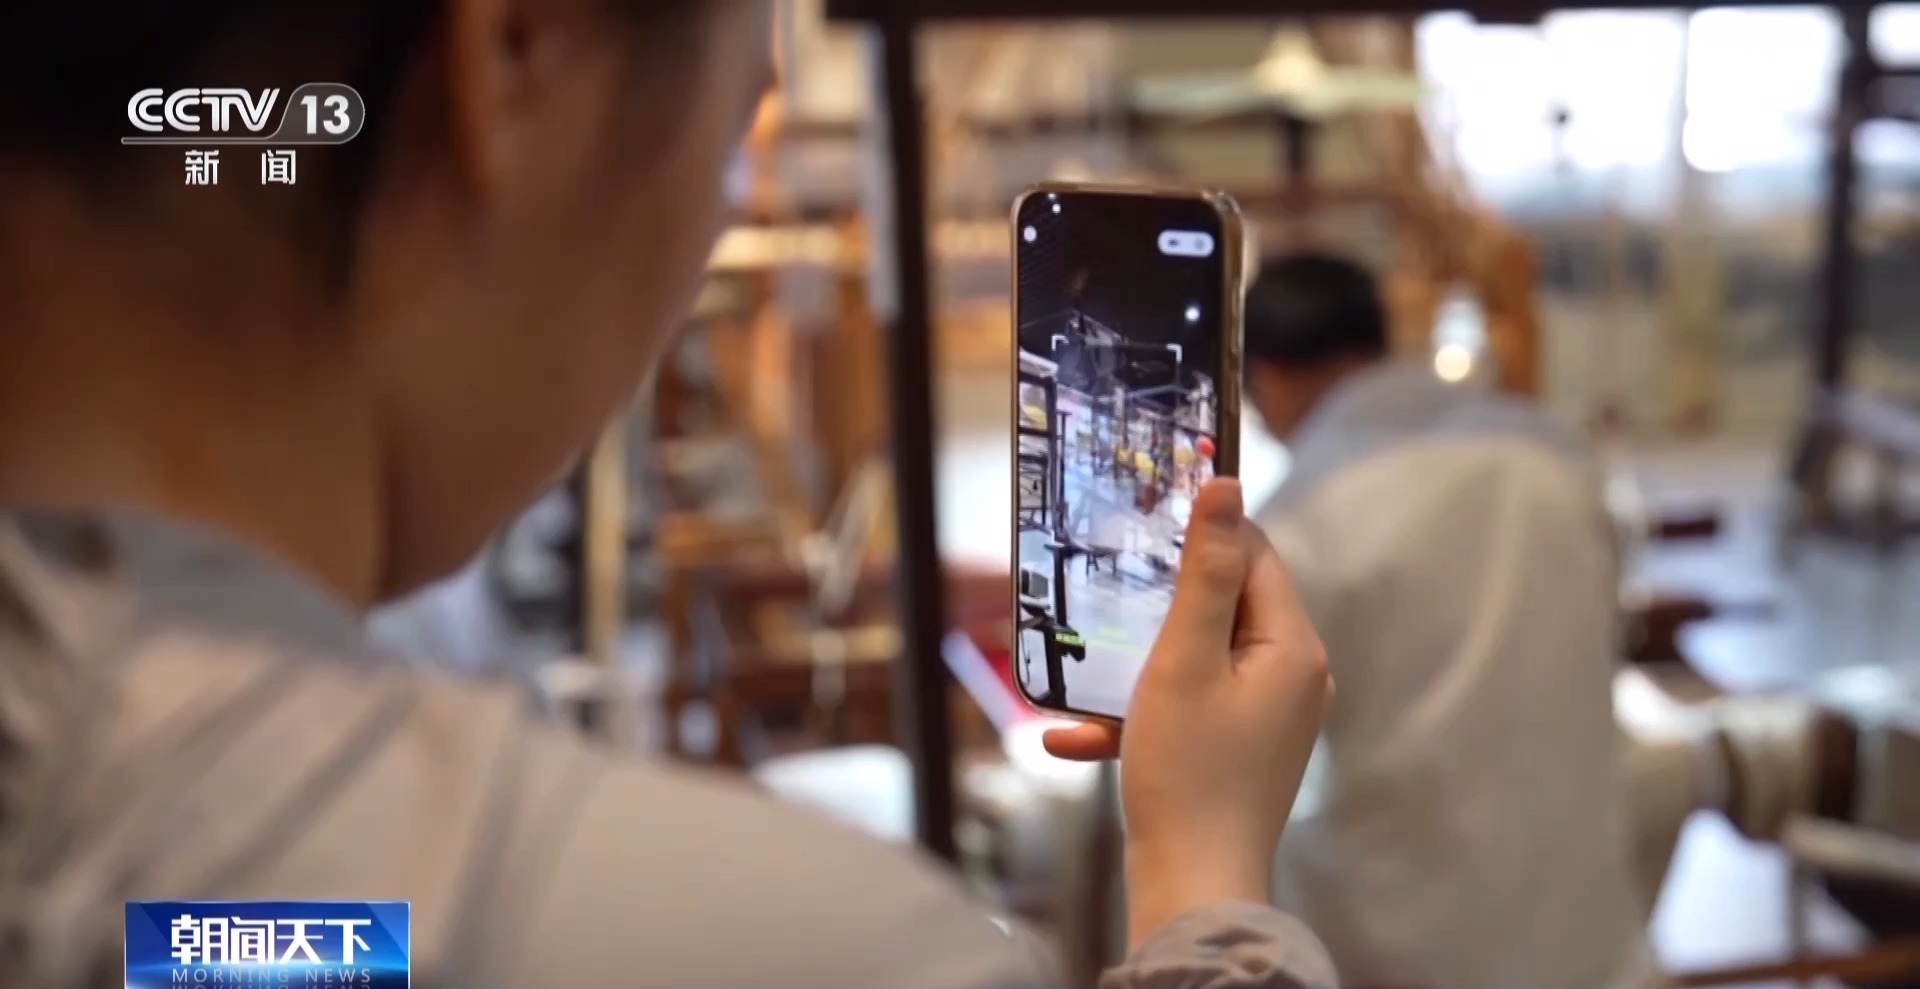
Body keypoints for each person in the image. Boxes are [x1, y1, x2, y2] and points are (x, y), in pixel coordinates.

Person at [0, 3, 1336, 987]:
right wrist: (1205, 885)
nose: (711, 227)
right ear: (518, 57)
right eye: (732, 136)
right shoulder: (778, 947)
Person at [1241, 253, 1652, 988]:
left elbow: (1248, 730)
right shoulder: (1552, 451)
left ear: (1266, 375)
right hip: (1589, 930)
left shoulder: (1304, 520)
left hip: (1415, 937)